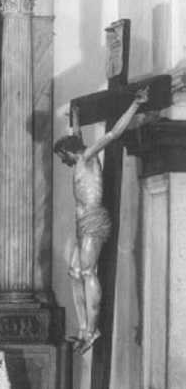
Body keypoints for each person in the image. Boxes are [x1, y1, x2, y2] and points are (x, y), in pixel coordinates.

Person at [53, 86, 149, 354]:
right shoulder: (79, 159)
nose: (62, 161)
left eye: (62, 156)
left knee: (87, 272)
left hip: (94, 221)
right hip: (82, 224)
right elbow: (75, 137)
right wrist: (75, 118)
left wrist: (136, 104)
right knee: (74, 273)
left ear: (69, 152)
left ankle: (92, 330)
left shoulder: (87, 156)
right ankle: (84, 328)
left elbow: (113, 134)